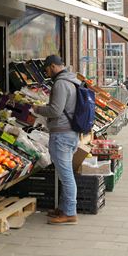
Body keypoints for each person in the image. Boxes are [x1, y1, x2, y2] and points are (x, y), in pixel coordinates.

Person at [33, 55, 79, 225]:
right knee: (64, 173)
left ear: (52, 66)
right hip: (71, 133)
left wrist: (37, 109)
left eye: (47, 69)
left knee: (66, 175)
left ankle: (70, 212)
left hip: (62, 134)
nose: (47, 72)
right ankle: (64, 207)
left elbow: (55, 111)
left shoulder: (60, 83)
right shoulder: (72, 80)